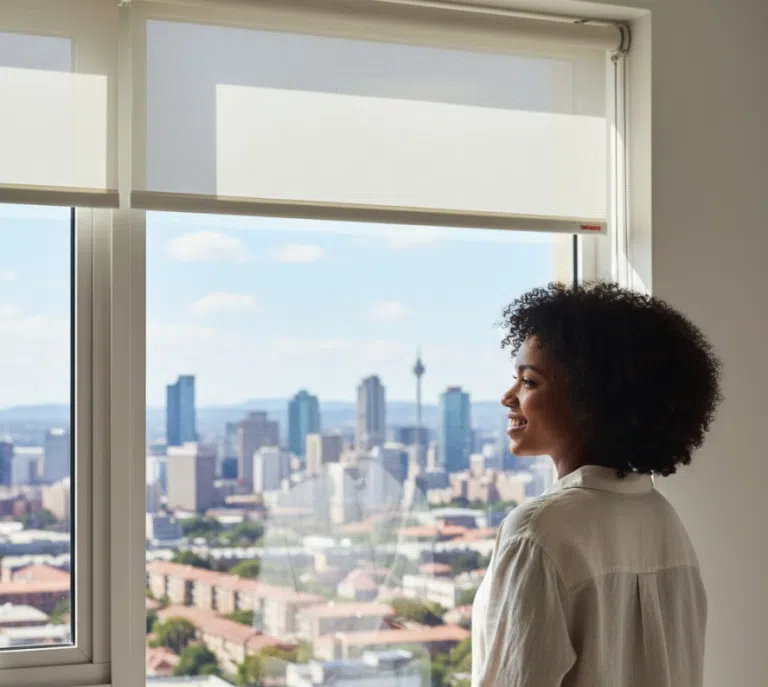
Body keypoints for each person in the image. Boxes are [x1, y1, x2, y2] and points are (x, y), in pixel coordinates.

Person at [471, 283, 722, 687]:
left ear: (590, 397)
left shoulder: (538, 531)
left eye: (529, 382)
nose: (508, 397)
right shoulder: (662, 519)